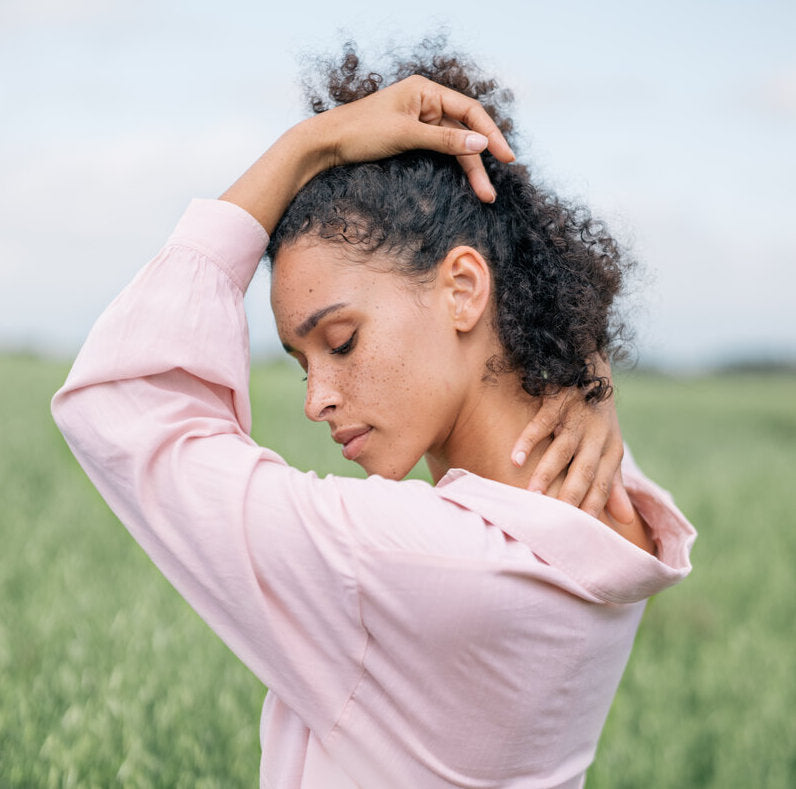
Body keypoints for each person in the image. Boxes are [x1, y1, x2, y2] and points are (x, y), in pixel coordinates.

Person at [52, 44, 695, 789]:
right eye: (301, 363)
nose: (315, 398)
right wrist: (583, 362)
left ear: (463, 287)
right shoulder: (608, 506)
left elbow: (118, 403)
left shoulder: (394, 560)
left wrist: (309, 143)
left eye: (341, 340)